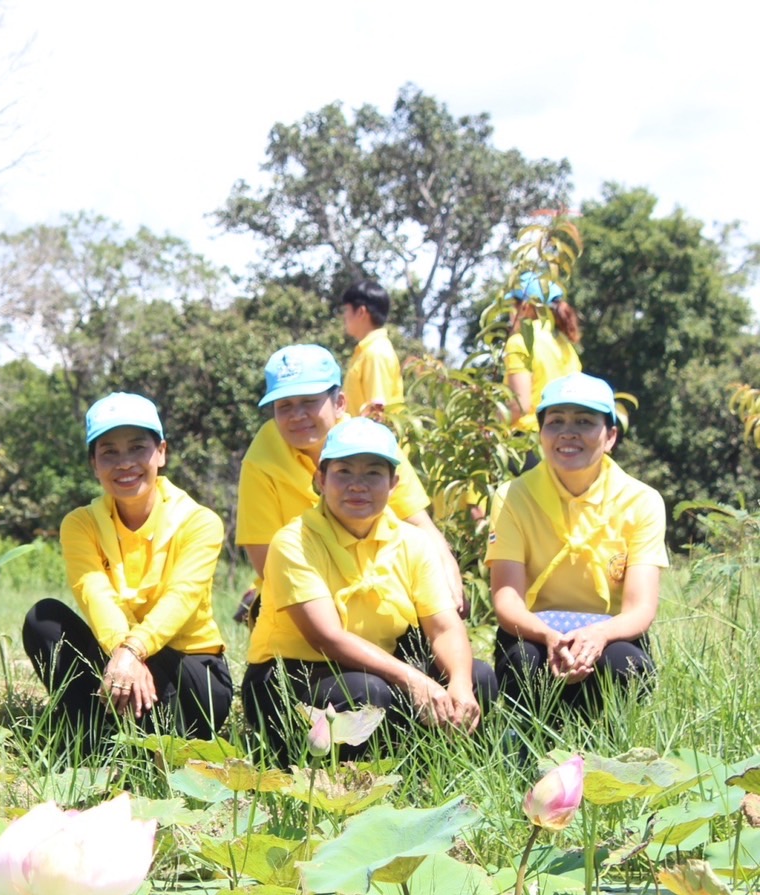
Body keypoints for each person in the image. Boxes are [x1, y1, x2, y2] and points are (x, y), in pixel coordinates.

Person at [241, 418, 492, 764]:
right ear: (320, 479)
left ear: (393, 484)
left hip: (379, 672)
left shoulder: (414, 542)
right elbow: (327, 638)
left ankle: (435, 770)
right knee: (367, 693)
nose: (357, 486)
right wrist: (414, 680)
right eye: (344, 472)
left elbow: (445, 626)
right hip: (291, 678)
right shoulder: (293, 542)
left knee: (478, 677)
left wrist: (460, 684)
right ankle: (337, 778)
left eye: (373, 474)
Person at [22, 393, 232, 753]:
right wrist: (125, 654)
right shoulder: (81, 524)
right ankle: (89, 740)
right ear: (94, 463)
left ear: (161, 452)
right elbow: (95, 595)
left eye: (137, 448)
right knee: (43, 619)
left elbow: (180, 600)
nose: (125, 463)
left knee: (161, 661)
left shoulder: (199, 521)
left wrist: (134, 650)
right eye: (109, 452)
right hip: (118, 654)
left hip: (190, 667)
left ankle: (148, 741)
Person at [236, 344, 464, 618]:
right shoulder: (262, 459)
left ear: (340, 403)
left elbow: (419, 523)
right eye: (284, 406)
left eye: (309, 402)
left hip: (383, 591)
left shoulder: (373, 442)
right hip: (303, 595)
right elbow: (265, 561)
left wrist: (448, 573)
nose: (297, 416)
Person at [487, 374, 665, 717]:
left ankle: (610, 749)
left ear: (610, 436)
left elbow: (640, 609)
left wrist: (598, 635)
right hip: (534, 633)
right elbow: (507, 600)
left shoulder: (643, 501)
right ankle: (527, 749)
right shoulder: (512, 497)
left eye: (584, 421)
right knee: (524, 660)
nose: (568, 432)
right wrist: (550, 636)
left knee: (625, 664)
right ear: (541, 434)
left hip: (612, 633)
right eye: (556, 422)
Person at [503, 273, 582, 433]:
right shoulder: (565, 344)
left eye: (511, 307)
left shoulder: (520, 342)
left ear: (524, 307)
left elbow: (519, 406)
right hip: (561, 440)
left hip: (526, 440)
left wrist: (485, 426)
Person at [340, 280, 404, 419]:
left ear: (361, 312)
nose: (344, 316)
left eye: (346, 310)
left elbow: (377, 413)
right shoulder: (367, 350)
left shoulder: (375, 353)